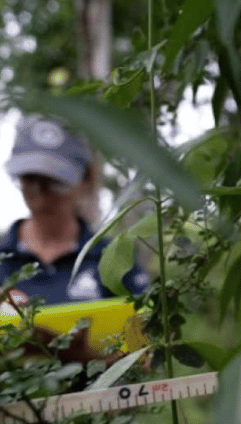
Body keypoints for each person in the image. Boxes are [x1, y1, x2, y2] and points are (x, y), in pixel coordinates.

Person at [0, 114, 148, 358]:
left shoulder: (115, 259)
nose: (40, 193)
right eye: (29, 179)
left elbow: (144, 352)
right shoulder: (4, 258)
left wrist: (78, 353)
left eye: (53, 181)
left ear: (85, 179)